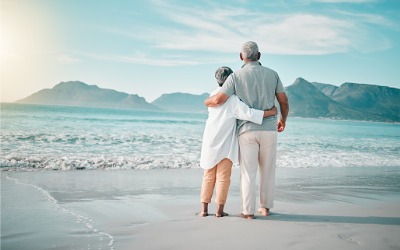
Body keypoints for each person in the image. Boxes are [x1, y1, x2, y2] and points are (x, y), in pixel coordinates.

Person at [205, 41, 289, 219]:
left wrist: (207, 101)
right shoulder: (273, 74)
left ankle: (248, 212)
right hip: (269, 129)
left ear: (241, 56)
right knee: (268, 171)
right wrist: (282, 119)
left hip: (247, 131)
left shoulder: (235, 76)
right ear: (259, 56)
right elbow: (283, 101)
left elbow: (219, 100)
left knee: (248, 173)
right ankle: (265, 207)